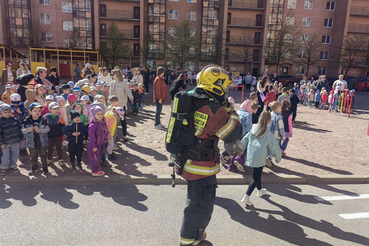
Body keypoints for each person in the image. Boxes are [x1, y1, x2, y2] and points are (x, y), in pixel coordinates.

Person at [173, 65, 242, 246]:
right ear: (216, 84)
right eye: (224, 86)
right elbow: (233, 133)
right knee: (199, 206)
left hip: (188, 159)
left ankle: (196, 235)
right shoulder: (214, 109)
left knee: (197, 203)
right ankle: (188, 242)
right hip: (200, 167)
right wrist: (232, 111)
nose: (226, 90)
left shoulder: (194, 98)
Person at [240, 111, 282, 206]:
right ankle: (246, 196)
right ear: (269, 121)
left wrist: (240, 151)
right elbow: (275, 147)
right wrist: (278, 158)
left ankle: (259, 190)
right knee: (256, 177)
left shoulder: (253, 130)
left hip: (251, 155)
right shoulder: (268, 134)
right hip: (261, 157)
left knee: (257, 173)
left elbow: (244, 140)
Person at [228, 101, 259, 172]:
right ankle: (239, 160)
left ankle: (231, 166)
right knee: (244, 150)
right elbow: (249, 128)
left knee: (235, 150)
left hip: (234, 135)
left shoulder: (237, 112)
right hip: (243, 135)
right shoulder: (248, 115)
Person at [22, 102, 50, 175]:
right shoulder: (27, 120)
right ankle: (34, 167)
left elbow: (47, 129)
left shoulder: (43, 119)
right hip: (32, 141)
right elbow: (22, 130)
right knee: (33, 156)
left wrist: (41, 130)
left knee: (43, 155)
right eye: (35, 111)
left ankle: (45, 167)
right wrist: (28, 130)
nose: (37, 112)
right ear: (30, 111)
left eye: (39, 111)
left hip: (42, 141)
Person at [0, 104, 25, 176]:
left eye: (9, 112)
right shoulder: (0, 122)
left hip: (15, 141)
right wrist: (1, 143)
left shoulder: (15, 120)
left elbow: (19, 130)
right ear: (1, 113)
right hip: (5, 142)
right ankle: (4, 167)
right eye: (5, 112)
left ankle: (13, 165)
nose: (7, 114)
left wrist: (22, 138)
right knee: (5, 155)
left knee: (15, 154)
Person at [109, 69, 133, 141]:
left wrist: (131, 97)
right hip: (113, 104)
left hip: (121, 104)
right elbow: (110, 93)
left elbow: (128, 91)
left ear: (117, 75)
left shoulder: (123, 83)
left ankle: (125, 135)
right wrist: (108, 102)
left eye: (113, 74)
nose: (112, 76)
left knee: (123, 120)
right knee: (114, 120)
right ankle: (114, 136)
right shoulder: (112, 83)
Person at [45, 102, 65, 166]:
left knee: (59, 147)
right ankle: (49, 159)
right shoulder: (45, 117)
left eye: (57, 109)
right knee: (49, 147)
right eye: (54, 109)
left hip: (58, 135)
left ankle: (60, 159)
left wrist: (63, 134)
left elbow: (62, 126)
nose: (56, 110)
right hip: (49, 135)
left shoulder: (60, 117)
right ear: (49, 109)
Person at [87, 105, 106, 176]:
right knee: (94, 157)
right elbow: (91, 137)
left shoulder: (99, 122)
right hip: (94, 145)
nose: (100, 115)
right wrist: (94, 146)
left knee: (98, 156)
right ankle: (94, 171)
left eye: (101, 114)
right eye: (98, 114)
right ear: (94, 115)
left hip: (100, 143)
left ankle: (97, 168)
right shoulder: (92, 125)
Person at [267, 101, 285, 167]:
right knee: (273, 148)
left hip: (268, 134)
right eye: (280, 108)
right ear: (276, 108)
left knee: (268, 147)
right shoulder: (279, 117)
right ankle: (269, 158)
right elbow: (281, 127)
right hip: (276, 136)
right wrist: (283, 136)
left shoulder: (269, 114)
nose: (281, 110)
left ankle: (265, 158)